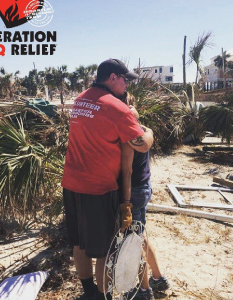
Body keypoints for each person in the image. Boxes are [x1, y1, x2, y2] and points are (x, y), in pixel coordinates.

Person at [61, 59, 154, 300]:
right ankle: (103, 296)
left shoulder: (81, 99)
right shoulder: (116, 107)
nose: (127, 86)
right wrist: (149, 132)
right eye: (125, 80)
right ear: (112, 77)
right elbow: (141, 145)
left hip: (72, 183)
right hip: (98, 188)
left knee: (80, 244)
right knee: (104, 249)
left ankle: (89, 292)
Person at [120, 92, 169, 300]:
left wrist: (126, 202)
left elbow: (127, 171)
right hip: (144, 188)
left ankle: (144, 290)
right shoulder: (143, 129)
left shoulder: (128, 135)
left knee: (133, 242)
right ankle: (158, 279)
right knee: (140, 237)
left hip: (135, 191)